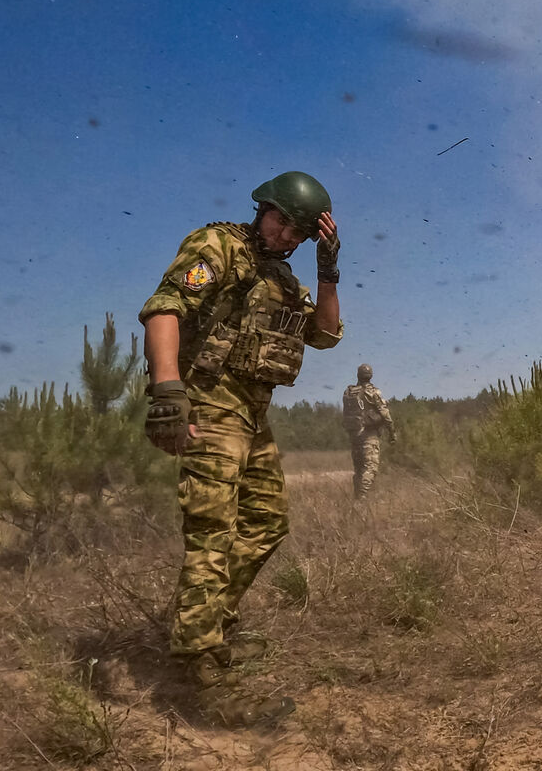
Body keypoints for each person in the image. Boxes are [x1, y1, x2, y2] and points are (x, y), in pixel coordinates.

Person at [139, 171, 343, 726]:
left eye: (300, 233)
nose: (287, 237)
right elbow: (164, 309)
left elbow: (323, 335)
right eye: (283, 223)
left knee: (267, 521)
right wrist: (167, 392)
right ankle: (199, 670)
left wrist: (328, 270)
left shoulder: (281, 277)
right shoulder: (217, 246)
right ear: (264, 209)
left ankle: (204, 627)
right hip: (207, 403)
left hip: (251, 411)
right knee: (212, 530)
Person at [342, 363, 397, 499]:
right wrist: (392, 433)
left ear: (358, 375)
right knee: (371, 468)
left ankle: (357, 499)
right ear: (371, 376)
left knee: (359, 470)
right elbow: (386, 416)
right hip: (368, 436)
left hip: (354, 436)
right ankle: (361, 498)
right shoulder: (373, 392)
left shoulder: (349, 392)